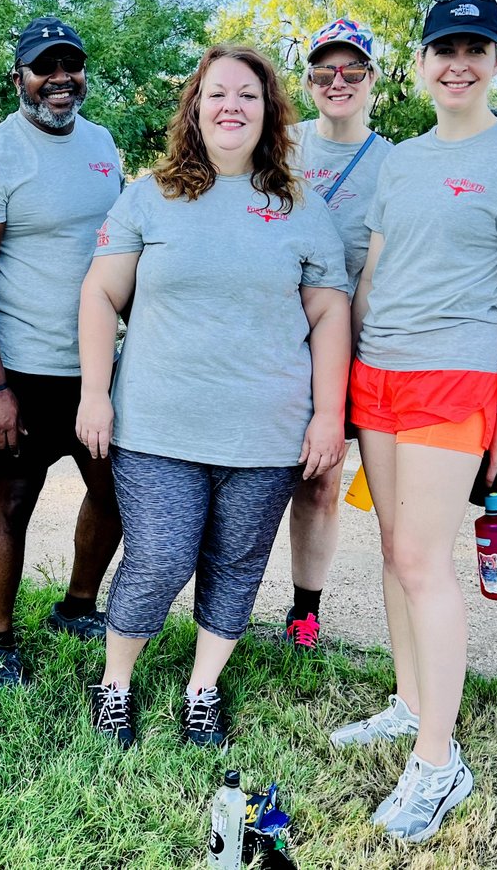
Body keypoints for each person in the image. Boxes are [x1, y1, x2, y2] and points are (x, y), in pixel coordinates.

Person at [329, 0, 497, 841]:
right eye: (443, 48)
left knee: (426, 561)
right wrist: (344, 371)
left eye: (475, 47)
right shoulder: (403, 159)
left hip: (454, 379)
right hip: (378, 373)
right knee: (393, 550)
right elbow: (374, 272)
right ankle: (409, 701)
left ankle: (437, 761)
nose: (457, 61)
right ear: (422, 63)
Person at [77, 44, 350, 747]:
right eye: (218, 92)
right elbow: (102, 294)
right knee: (161, 559)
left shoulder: (301, 209)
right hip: (158, 425)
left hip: (267, 432)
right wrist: (95, 393)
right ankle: (114, 685)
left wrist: (327, 415)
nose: (232, 105)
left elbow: (327, 315)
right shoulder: (148, 196)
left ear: (270, 112)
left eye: (249, 95)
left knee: (235, 563)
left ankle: (203, 690)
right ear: (195, 107)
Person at [0, 17, 124, 686]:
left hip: (98, 366)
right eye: (44, 66)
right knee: (14, 500)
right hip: (22, 367)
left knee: (112, 493)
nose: (60, 78)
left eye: (70, 64)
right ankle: (0, 639)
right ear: (17, 77)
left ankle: (78, 605)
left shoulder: (103, 143)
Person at [283, 19, 393, 649]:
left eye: (353, 71)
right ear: (309, 81)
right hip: (264, 344)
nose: (338, 81)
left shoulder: (394, 165)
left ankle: (304, 612)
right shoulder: (277, 145)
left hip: (346, 349)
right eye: (325, 71)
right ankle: (219, 602)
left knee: (321, 482)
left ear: (373, 81)